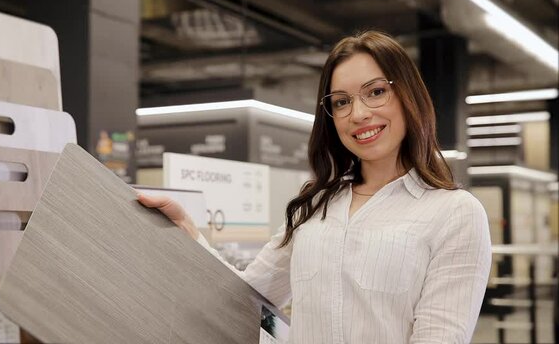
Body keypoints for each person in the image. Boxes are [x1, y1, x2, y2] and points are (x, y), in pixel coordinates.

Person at [137, 30, 492, 343]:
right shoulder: (315, 206)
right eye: (341, 102)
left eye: (376, 92)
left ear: (408, 97)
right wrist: (188, 231)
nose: (359, 114)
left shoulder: (454, 213)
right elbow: (248, 293)